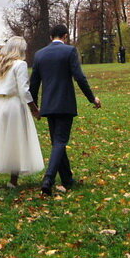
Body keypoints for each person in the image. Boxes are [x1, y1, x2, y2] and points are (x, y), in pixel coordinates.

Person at [29, 24, 102, 196]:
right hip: (65, 103)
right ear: (65, 36)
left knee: (57, 143)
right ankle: (48, 179)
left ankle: (67, 179)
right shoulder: (69, 51)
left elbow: (34, 84)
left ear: (50, 37)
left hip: (48, 105)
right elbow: (79, 77)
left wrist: (35, 107)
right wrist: (92, 98)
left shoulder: (39, 55)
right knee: (60, 142)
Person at [0, 36, 44, 190]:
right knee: (16, 141)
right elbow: (24, 90)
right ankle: (13, 181)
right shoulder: (20, 65)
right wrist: (34, 108)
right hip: (13, 104)